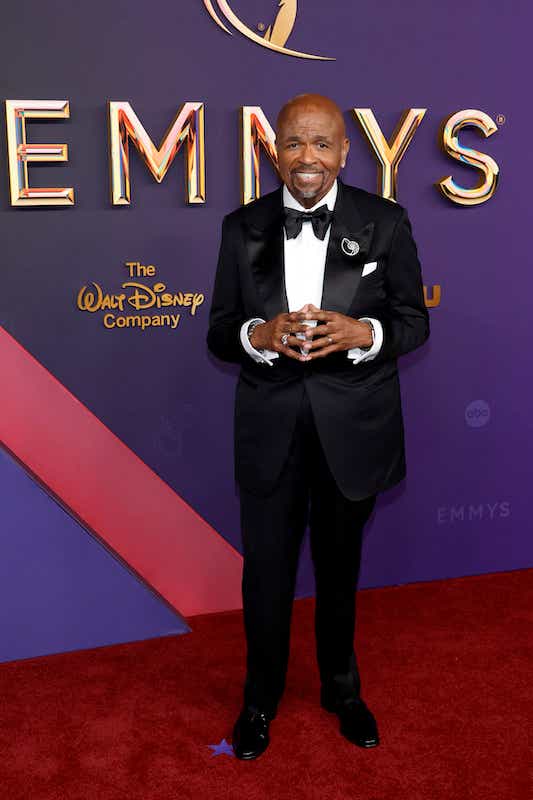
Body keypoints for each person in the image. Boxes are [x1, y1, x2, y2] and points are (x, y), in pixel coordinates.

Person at [207, 94, 429, 760]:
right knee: (266, 576)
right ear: (273, 149)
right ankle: (258, 700)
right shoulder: (238, 227)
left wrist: (366, 333)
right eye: (294, 143)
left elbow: (414, 321)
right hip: (270, 429)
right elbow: (219, 330)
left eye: (322, 144)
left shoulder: (385, 222)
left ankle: (341, 690)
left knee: (339, 569)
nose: (308, 158)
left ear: (343, 150)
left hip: (353, 428)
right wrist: (258, 332)